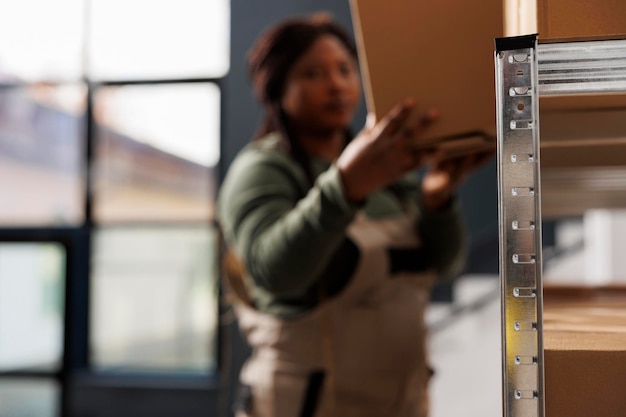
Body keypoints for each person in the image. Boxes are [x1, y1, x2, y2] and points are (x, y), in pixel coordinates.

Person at [218, 13, 492, 417]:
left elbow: (446, 266)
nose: (336, 85)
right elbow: (273, 273)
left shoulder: (389, 174)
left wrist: (437, 200)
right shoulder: (264, 169)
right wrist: (344, 187)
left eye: (345, 69)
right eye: (313, 73)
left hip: (403, 403)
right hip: (305, 404)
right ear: (277, 88)